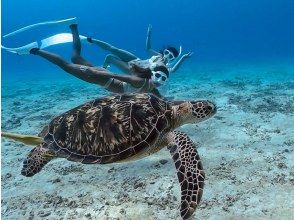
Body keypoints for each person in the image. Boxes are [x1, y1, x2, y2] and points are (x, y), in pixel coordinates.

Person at [25, 24, 167, 97]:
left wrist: (167, 101)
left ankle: (74, 28)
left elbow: (159, 97)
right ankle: (34, 50)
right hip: (100, 77)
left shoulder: (152, 87)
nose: (160, 80)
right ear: (153, 74)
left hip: (103, 76)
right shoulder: (141, 81)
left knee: (75, 58)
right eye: (159, 76)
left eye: (164, 79)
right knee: (66, 66)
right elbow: (115, 75)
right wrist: (92, 71)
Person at [86, 24, 193, 78]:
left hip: (134, 70)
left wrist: (183, 58)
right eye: (167, 53)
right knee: (114, 49)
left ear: (172, 59)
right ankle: (91, 40)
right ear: (164, 51)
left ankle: (103, 70)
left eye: (170, 56)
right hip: (136, 60)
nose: (167, 56)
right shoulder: (158, 55)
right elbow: (148, 48)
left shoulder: (164, 68)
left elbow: (173, 70)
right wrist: (148, 34)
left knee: (109, 57)